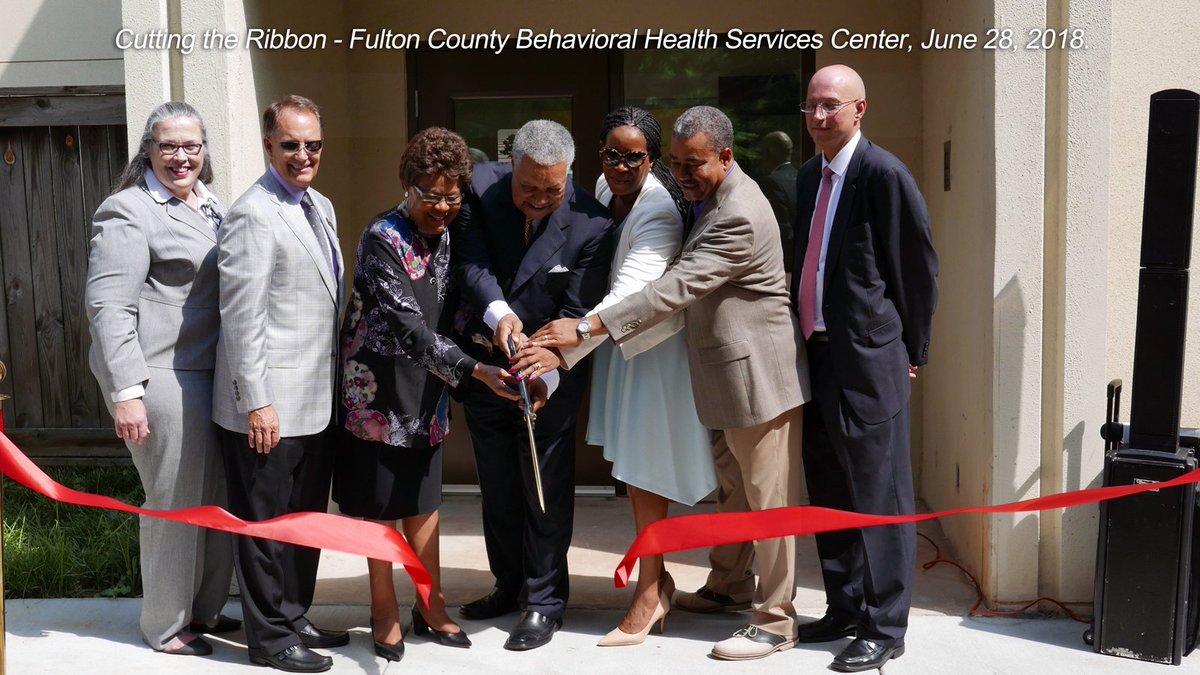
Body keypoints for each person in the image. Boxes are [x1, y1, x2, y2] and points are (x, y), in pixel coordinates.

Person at [530, 106, 809, 661]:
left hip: (759, 376)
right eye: (676, 163)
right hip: (723, 372)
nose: (680, 175)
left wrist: (583, 328)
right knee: (736, 490)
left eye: (693, 164)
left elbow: (673, 289)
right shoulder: (706, 195)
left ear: (725, 157)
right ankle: (730, 584)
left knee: (768, 503)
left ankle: (776, 620)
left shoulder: (739, 212)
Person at [518, 106, 716, 647]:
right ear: (599, 154)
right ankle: (658, 580)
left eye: (635, 157)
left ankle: (650, 592)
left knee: (647, 474)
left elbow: (632, 292)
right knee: (632, 474)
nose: (622, 166)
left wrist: (566, 345)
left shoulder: (658, 211)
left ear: (651, 159)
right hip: (620, 350)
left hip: (652, 357)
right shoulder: (606, 191)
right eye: (612, 154)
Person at [332, 127, 518, 661]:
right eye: (430, 196)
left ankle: (431, 605)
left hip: (428, 387)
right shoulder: (381, 237)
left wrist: (494, 339)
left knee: (424, 500)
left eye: (451, 197)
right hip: (375, 391)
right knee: (380, 506)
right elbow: (410, 329)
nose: (441, 208)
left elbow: (458, 309)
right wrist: (476, 371)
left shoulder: (455, 234)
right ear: (407, 187)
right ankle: (383, 609)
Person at [791, 64, 938, 673]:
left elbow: (916, 267)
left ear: (860, 109)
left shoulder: (883, 173)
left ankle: (885, 626)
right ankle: (845, 608)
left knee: (881, 493)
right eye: (812, 106)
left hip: (871, 357)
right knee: (829, 486)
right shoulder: (807, 176)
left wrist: (911, 350)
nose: (820, 116)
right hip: (818, 353)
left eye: (832, 105)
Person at [452, 119, 613, 651]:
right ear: (511, 168)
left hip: (551, 374)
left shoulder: (592, 222)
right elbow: (471, 264)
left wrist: (549, 369)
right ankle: (508, 584)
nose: (540, 198)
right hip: (488, 365)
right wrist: (499, 314)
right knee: (497, 486)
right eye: (529, 188)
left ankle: (544, 602)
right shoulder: (479, 188)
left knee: (545, 490)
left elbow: (579, 309)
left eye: (553, 188)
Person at [85, 101, 237, 657]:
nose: (180, 157)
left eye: (191, 145)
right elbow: (109, 307)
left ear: (204, 150)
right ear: (148, 149)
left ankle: (205, 610)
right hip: (162, 375)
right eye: (168, 145)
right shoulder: (128, 210)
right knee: (175, 502)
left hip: (211, 373)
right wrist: (127, 393)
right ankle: (166, 625)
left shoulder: (210, 205)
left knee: (215, 497)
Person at [212, 95, 347, 674]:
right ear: (269, 145)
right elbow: (241, 317)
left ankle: (293, 615)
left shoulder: (321, 205)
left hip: (315, 400)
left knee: (303, 521)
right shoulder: (252, 213)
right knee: (264, 527)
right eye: (290, 145)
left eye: (312, 145)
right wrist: (257, 401)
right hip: (267, 407)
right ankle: (269, 639)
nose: (303, 155)